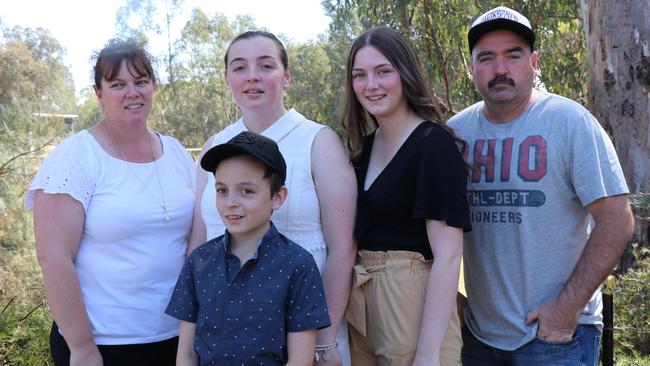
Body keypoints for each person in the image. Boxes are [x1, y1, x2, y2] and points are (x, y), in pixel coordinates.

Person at [447, 6, 635, 366]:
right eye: (486, 57)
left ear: (533, 62)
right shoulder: (455, 134)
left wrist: (565, 310)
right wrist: (453, 304)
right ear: (471, 67)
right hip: (479, 338)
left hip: (555, 339)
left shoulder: (569, 123)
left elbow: (617, 220)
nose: (500, 68)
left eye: (512, 55)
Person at [189, 30, 356, 365]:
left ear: (286, 76)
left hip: (307, 337)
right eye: (239, 67)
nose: (252, 76)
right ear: (227, 78)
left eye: (265, 65)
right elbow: (198, 243)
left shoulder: (317, 142)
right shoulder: (213, 148)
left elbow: (343, 249)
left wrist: (323, 342)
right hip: (225, 340)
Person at [25, 39, 195, 365]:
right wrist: (82, 348)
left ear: (153, 87)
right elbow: (53, 257)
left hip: (176, 340)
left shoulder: (176, 153)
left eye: (141, 81)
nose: (132, 92)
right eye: (118, 84)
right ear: (99, 93)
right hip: (103, 346)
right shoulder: (77, 157)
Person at [341, 26, 471, 366]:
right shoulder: (364, 149)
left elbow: (448, 254)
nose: (371, 85)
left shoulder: (433, 145)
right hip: (363, 301)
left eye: (383, 71)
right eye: (360, 75)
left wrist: (428, 354)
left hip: (412, 300)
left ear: (405, 74)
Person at [167, 131, 331, 365]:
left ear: (277, 197)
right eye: (222, 190)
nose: (231, 202)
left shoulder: (298, 266)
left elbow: (300, 359)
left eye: (247, 191)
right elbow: (186, 354)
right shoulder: (198, 262)